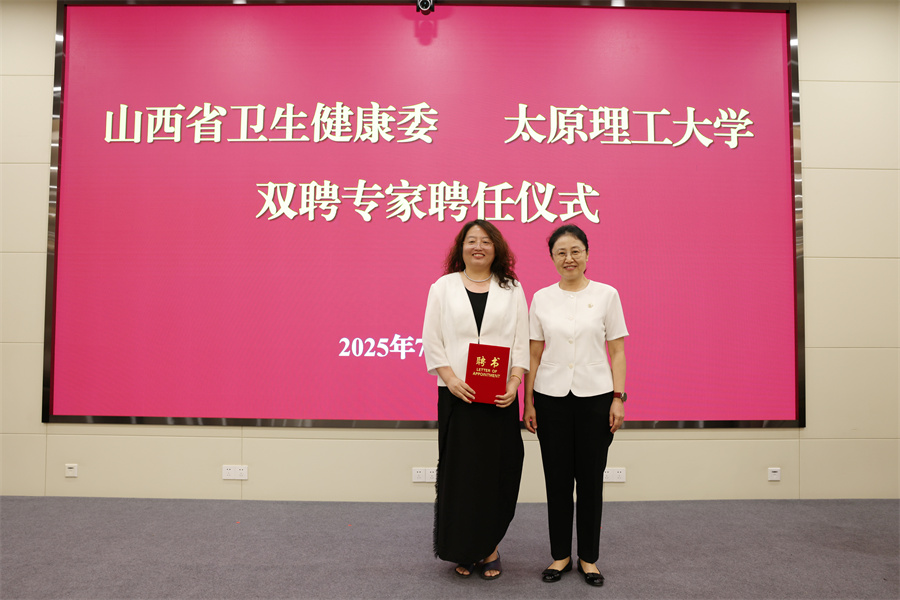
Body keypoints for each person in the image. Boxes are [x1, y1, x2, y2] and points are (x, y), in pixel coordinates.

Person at [422, 219, 529, 580]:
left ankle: (489, 546)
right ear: (461, 248)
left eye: (486, 241)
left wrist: (515, 380)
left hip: (500, 396)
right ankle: (463, 549)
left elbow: (521, 339)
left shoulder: (511, 288)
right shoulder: (443, 287)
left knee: (498, 471)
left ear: (496, 248)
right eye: (471, 241)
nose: (478, 246)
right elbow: (431, 338)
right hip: (458, 395)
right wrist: (450, 378)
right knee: (462, 475)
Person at [523, 224, 628, 587]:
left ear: (586, 253)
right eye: (561, 253)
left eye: (575, 251)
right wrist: (528, 402)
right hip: (550, 399)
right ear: (552, 258)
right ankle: (560, 555)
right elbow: (534, 353)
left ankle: (588, 558)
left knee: (590, 481)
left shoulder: (607, 295)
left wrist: (618, 398)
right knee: (556, 480)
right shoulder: (541, 298)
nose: (569, 258)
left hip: (596, 399)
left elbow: (617, 351)